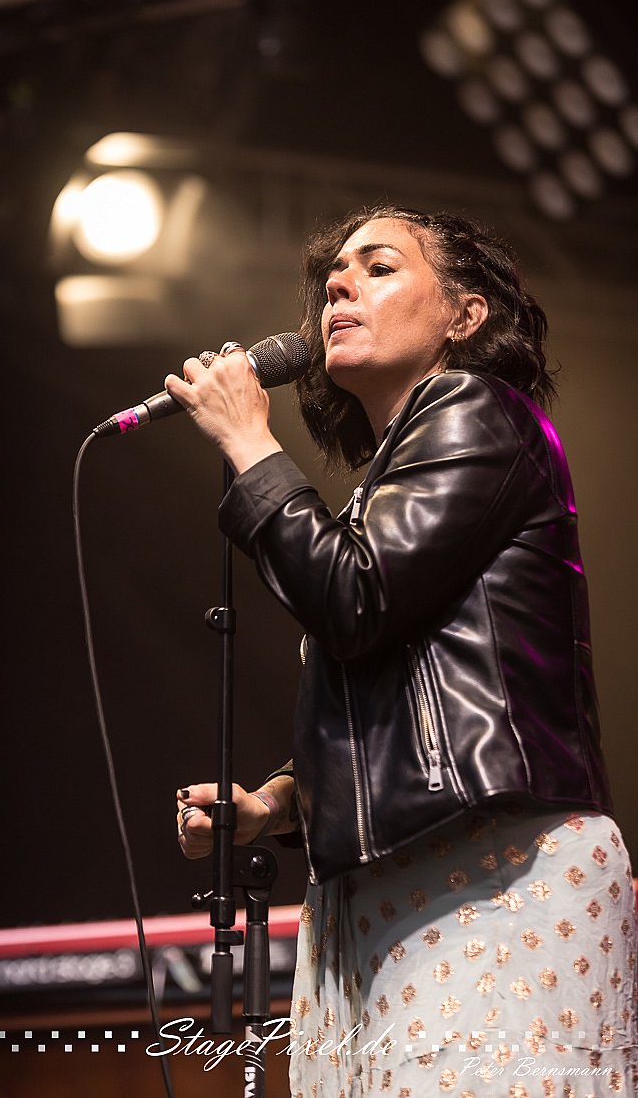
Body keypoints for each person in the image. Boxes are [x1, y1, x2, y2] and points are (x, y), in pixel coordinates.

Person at [169, 205, 637, 1096]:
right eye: (333, 278)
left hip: (492, 875)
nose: (339, 286)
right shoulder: (383, 485)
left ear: (464, 314)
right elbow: (399, 682)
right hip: (397, 887)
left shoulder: (476, 410)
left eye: (378, 267)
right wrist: (281, 802)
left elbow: (353, 599)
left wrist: (249, 443)